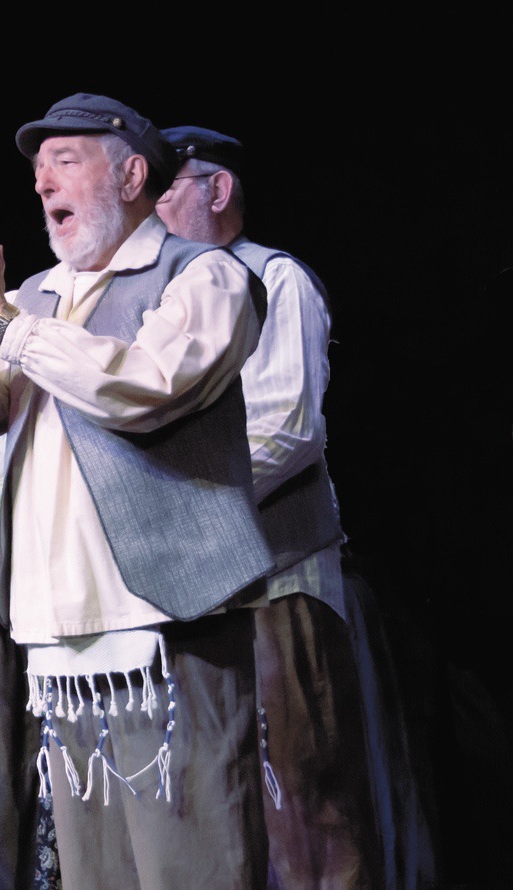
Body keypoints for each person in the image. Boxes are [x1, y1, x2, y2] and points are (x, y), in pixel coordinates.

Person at [0, 93, 275, 888]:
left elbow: (146, 386)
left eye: (65, 164)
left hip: (167, 633)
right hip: (60, 651)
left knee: (192, 867)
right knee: (95, 875)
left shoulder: (203, 275)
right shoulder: (33, 298)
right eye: (37, 175)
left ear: (133, 173)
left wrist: (4, 323)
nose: (42, 187)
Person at [155, 124, 389, 888]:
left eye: (166, 187)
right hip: (198, 596)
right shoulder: (160, 305)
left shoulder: (274, 278)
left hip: (279, 582)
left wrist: (177, 511)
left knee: (305, 798)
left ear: (215, 191)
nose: (148, 208)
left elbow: (288, 427)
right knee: (217, 804)